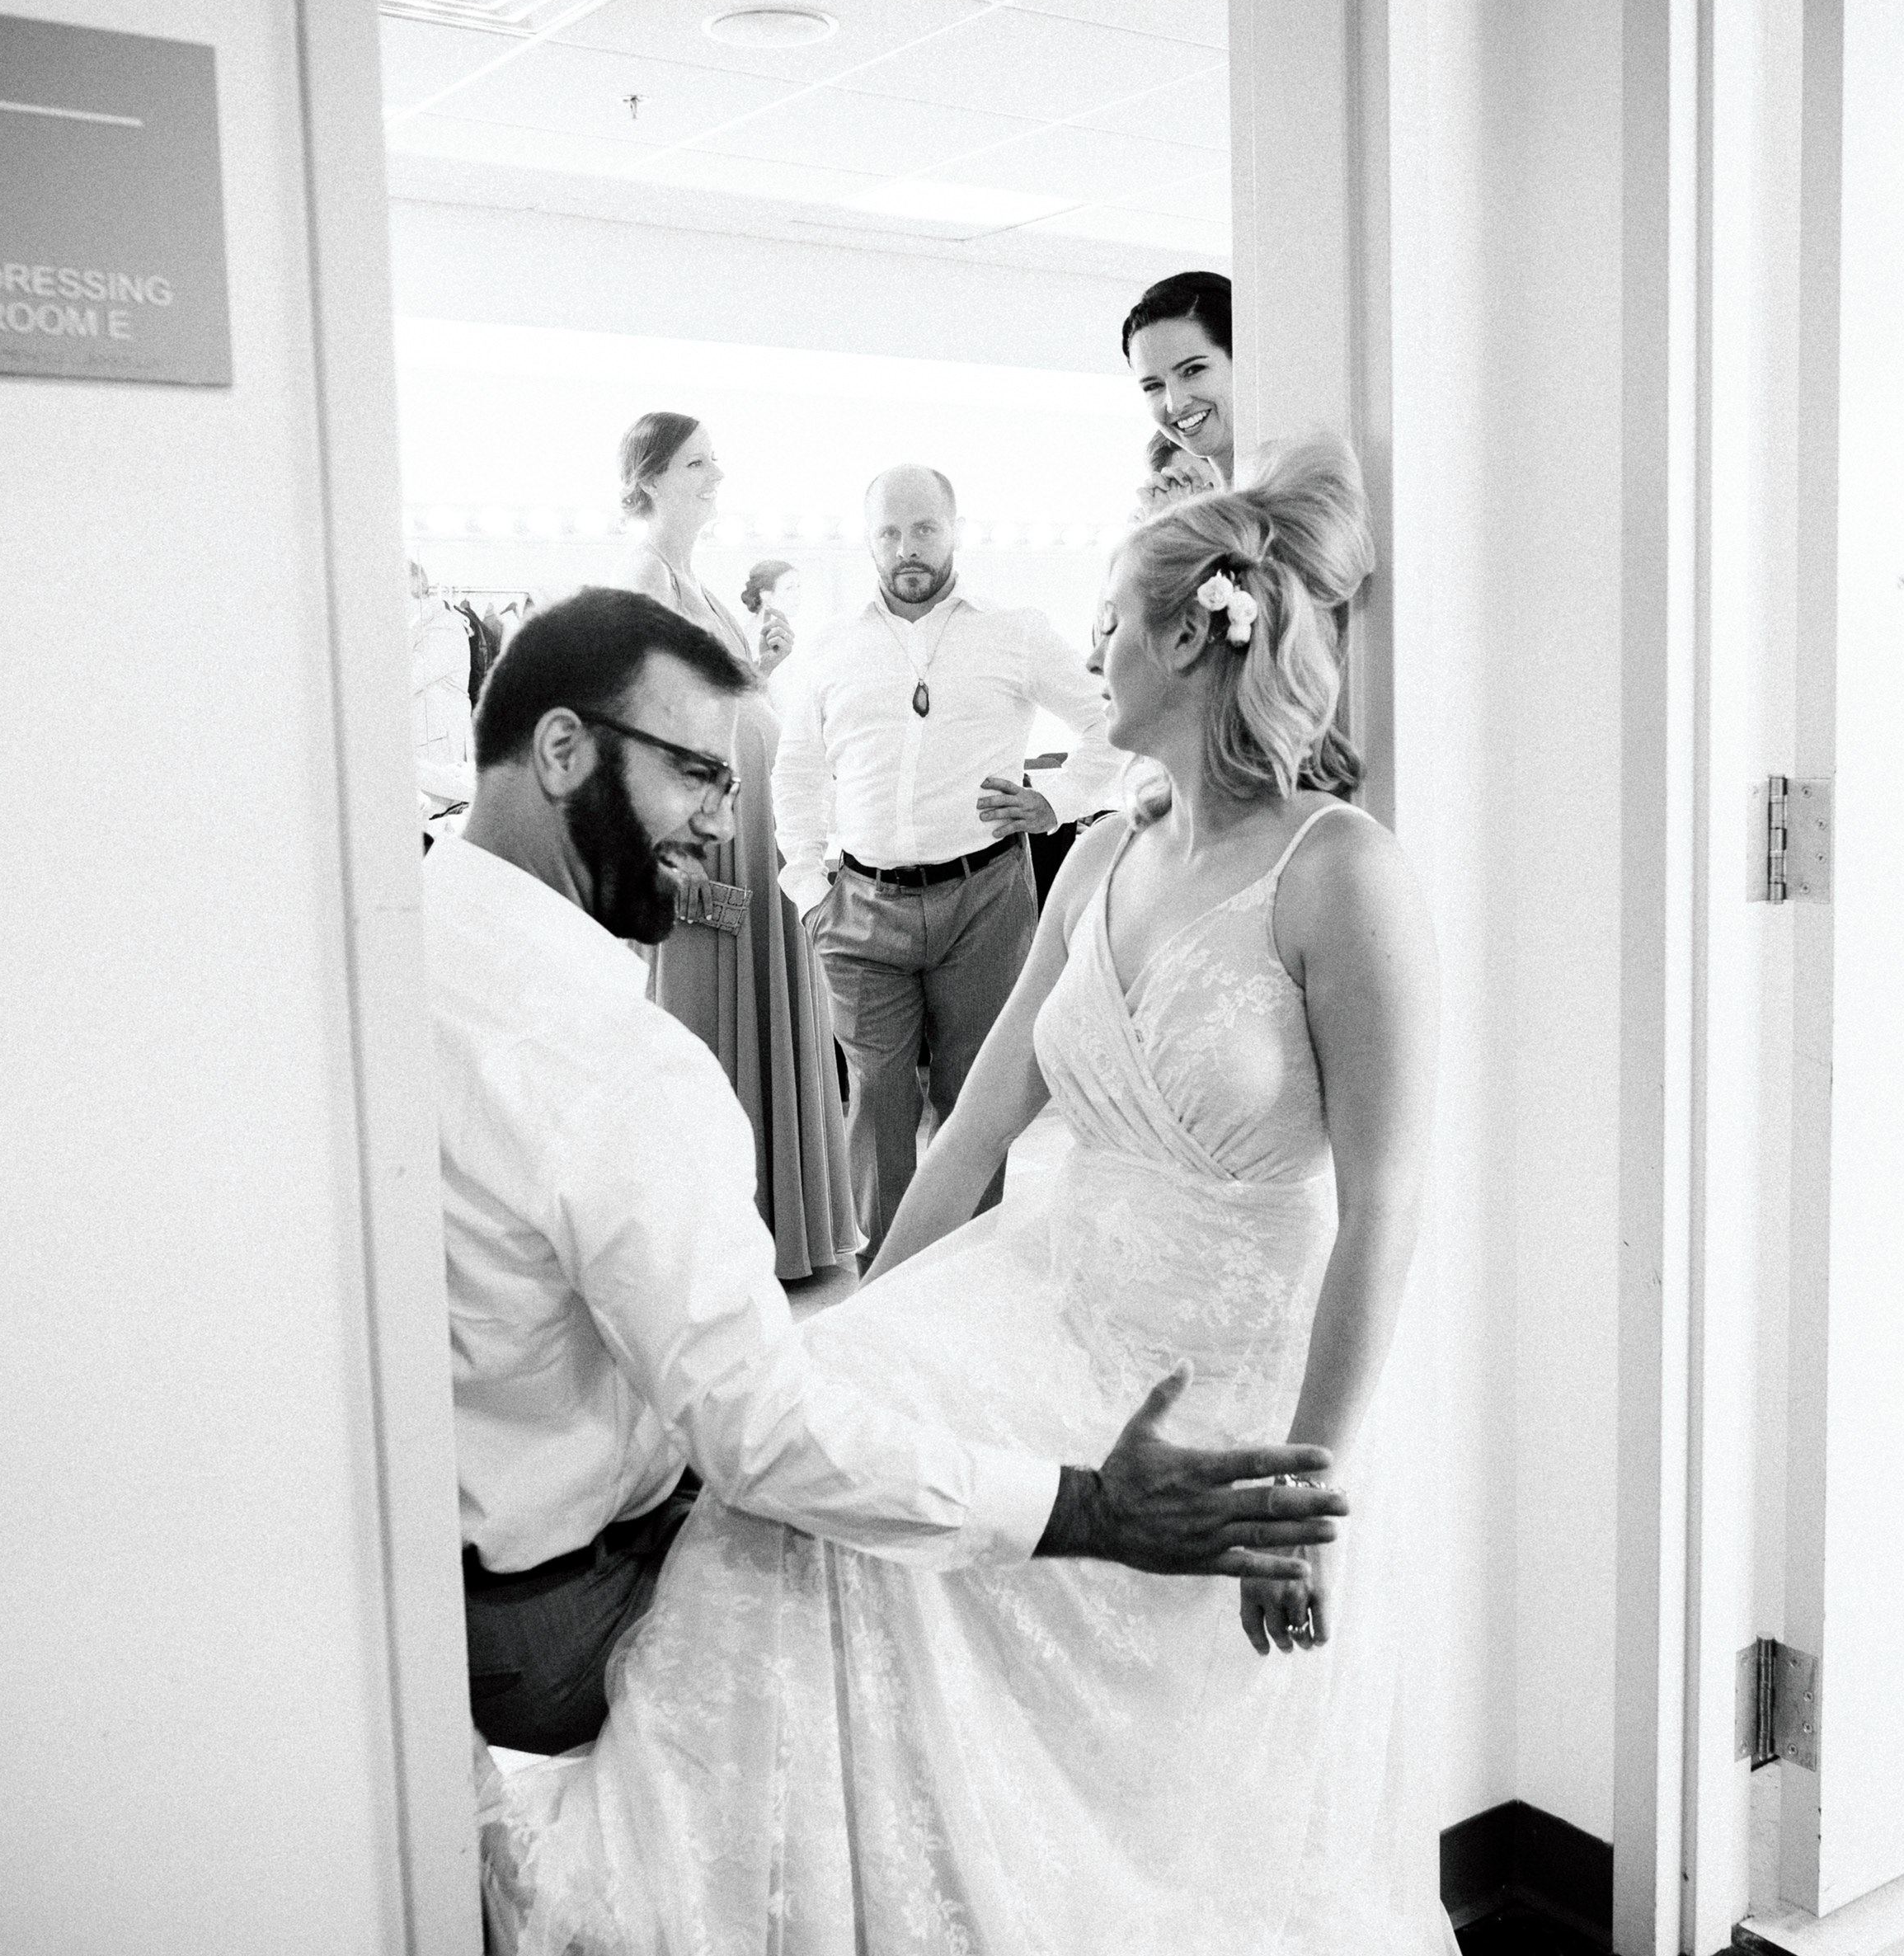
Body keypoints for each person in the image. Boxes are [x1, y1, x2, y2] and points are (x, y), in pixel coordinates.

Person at [484, 441, 1448, 1954]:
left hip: (1229, 1383)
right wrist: (849, 1334)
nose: (1092, 653)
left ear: (1193, 639)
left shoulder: (1343, 874)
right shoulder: (1103, 856)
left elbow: (1386, 1210)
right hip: (1057, 1305)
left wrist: (1301, 1499)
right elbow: (974, 1129)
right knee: (802, 1499)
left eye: (1113, 626)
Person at [427, 586, 1349, 1777]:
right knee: (941, 1608)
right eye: (697, 775)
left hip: (430, 1572)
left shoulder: (402, 940)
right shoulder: (616, 1067)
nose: (722, 821)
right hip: (561, 1612)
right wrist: (1091, 1511)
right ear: (561, 749)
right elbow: (763, 1441)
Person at [772, 463, 1127, 1254]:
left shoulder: (1015, 631)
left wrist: (1059, 801)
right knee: (877, 1102)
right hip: (858, 905)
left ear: (955, 530)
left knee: (976, 1100)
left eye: (925, 528)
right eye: (891, 532)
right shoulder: (831, 648)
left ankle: (963, 1279)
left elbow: (1111, 720)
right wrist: (807, 887)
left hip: (985, 899)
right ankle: (884, 1286)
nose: (908, 547)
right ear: (870, 541)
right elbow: (795, 773)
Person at [602, 412, 858, 1281]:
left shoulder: (694, 582)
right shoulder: (643, 573)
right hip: (707, 835)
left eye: (714, 461)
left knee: (757, 1002)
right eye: (696, 463)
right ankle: (712, 1245)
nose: (716, 475)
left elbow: (718, 704)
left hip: (752, 823)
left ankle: (771, 1226)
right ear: (650, 478)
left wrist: (763, 672)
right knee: (708, 1009)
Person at [1123, 269, 1236, 486]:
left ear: (1241, 362)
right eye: (1153, 385)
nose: (1175, 404)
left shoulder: (1292, 485)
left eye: (1192, 370)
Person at [409, 557, 476, 847]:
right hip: (429, 760)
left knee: (437, 841)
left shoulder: (443, 627)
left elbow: (404, 679)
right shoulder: (420, 627)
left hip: (439, 760)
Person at [739, 556, 801, 670]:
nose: (798, 595)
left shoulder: (774, 627)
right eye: (789, 588)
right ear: (765, 594)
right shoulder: (761, 633)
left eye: (798, 587)